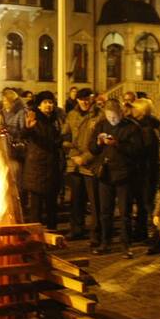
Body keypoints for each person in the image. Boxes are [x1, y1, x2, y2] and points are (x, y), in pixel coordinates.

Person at [89, 99, 142, 257]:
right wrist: (98, 143)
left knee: (125, 212)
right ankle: (106, 242)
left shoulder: (132, 127)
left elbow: (137, 150)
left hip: (125, 174)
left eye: (115, 117)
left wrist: (117, 144)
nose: (112, 120)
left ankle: (126, 244)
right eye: (109, 116)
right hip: (106, 174)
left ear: (121, 113)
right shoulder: (101, 125)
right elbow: (91, 148)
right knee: (105, 211)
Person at [21, 91, 64, 230]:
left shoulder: (56, 120)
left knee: (52, 205)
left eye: (50, 102)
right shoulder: (34, 119)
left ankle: (52, 232)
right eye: (45, 102)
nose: (48, 105)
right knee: (36, 207)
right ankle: (36, 235)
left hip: (52, 168)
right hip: (37, 168)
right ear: (39, 105)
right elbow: (24, 135)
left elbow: (58, 140)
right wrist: (28, 128)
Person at [63, 88, 101, 243]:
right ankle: (76, 229)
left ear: (91, 99)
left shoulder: (99, 116)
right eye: (81, 99)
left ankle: (96, 233)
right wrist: (68, 147)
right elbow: (66, 134)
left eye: (87, 99)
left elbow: (99, 142)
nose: (85, 102)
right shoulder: (72, 115)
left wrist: (85, 157)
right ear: (77, 100)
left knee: (94, 201)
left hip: (91, 164)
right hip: (74, 164)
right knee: (76, 200)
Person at [130, 98, 160, 252]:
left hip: (147, 172)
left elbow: (145, 152)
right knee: (142, 204)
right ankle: (141, 231)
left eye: (135, 108)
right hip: (143, 171)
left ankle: (155, 236)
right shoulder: (141, 126)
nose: (132, 111)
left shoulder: (146, 129)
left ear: (142, 111)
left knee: (148, 204)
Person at [0, 88, 28, 207]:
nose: (4, 102)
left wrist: (9, 130)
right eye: (3, 100)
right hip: (5, 148)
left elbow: (24, 131)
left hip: (16, 150)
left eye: (6, 100)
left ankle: (20, 203)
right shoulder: (3, 112)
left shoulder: (21, 112)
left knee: (18, 178)